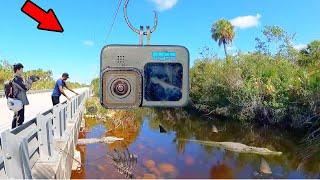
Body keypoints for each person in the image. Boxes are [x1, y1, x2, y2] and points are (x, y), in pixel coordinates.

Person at [11, 63, 33, 128]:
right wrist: (30, 81)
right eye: (21, 69)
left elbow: (23, 87)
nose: (22, 71)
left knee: (16, 118)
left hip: (17, 102)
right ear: (18, 70)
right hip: (18, 102)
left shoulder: (18, 79)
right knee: (19, 119)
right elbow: (25, 88)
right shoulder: (16, 79)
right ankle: (16, 134)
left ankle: (13, 134)